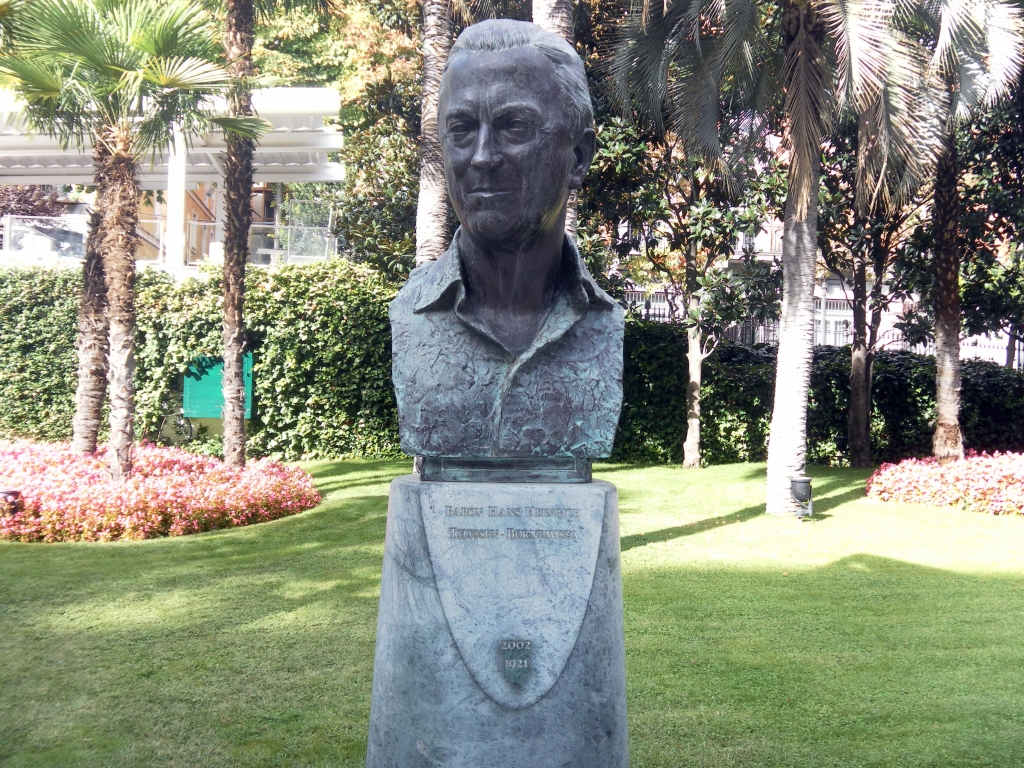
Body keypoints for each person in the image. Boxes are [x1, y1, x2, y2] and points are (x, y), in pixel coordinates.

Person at [390, 19, 624, 468]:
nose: (482, 157)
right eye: (461, 129)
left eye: (514, 126)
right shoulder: (411, 314)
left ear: (578, 158)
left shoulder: (603, 322)